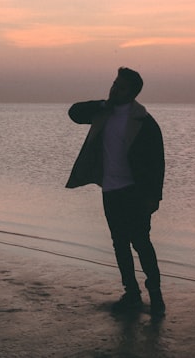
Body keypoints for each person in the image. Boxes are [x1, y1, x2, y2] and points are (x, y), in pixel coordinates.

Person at [66, 67, 166, 316]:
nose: (114, 89)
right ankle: (131, 293)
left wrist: (154, 197)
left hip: (135, 192)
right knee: (119, 243)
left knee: (141, 243)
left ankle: (156, 296)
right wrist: (103, 103)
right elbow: (74, 113)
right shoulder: (104, 113)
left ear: (132, 93)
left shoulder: (144, 122)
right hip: (110, 189)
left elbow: (157, 163)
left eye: (120, 87)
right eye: (114, 84)